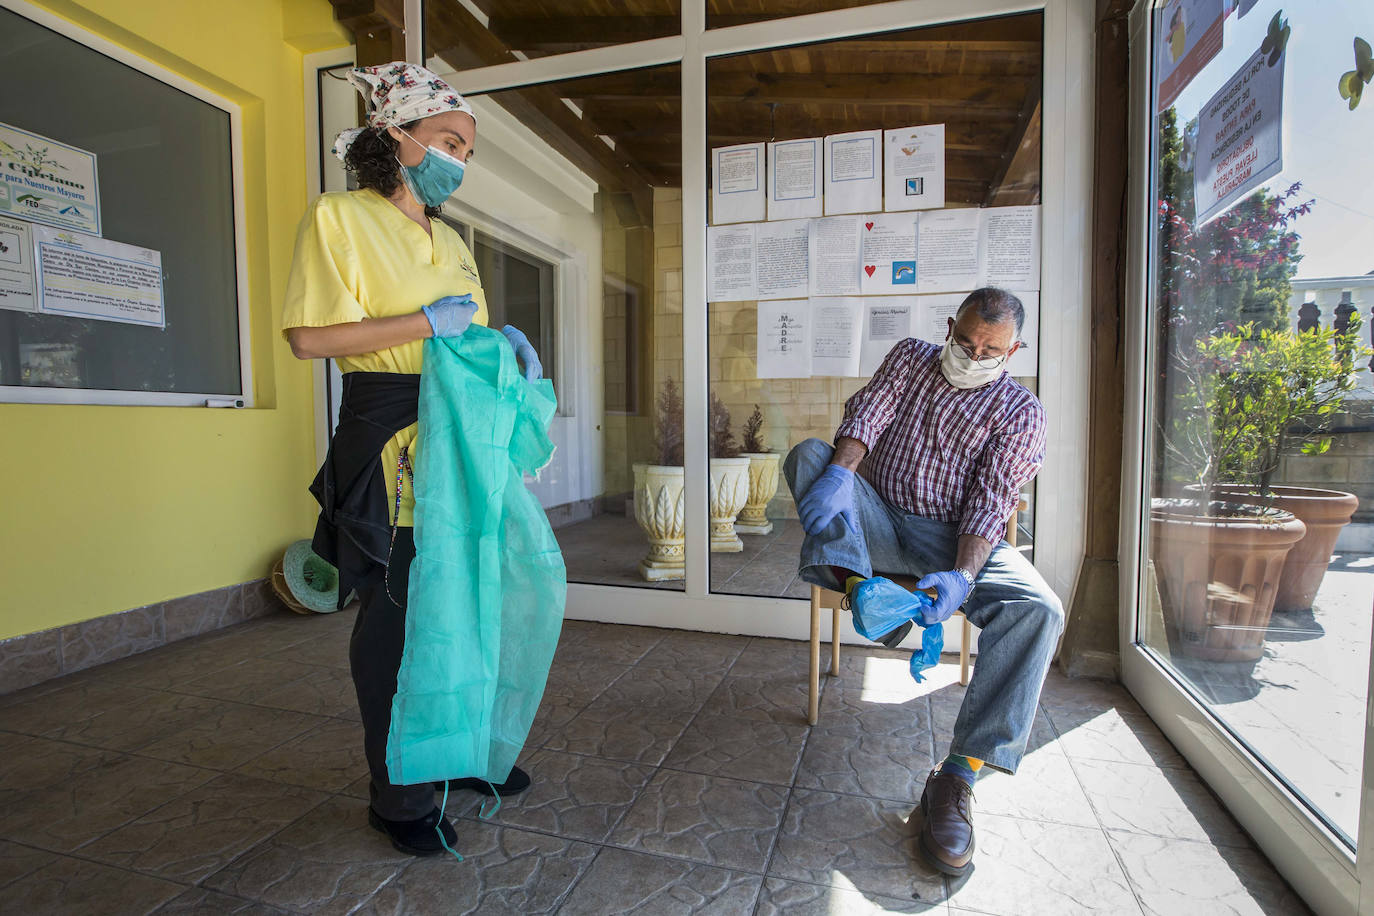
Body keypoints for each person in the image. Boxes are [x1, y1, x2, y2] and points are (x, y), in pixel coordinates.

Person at [281, 62, 542, 857]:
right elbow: (310, 339)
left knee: (465, 609)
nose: (459, 160)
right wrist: (424, 323)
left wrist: (505, 349)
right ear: (394, 136)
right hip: (392, 440)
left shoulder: (453, 240)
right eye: (448, 142)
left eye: (467, 149)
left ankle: (453, 754)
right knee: (398, 621)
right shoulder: (339, 218)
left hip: (460, 439)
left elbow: (464, 339)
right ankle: (397, 792)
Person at [783, 287, 1063, 877]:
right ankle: (864, 590)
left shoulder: (1021, 412)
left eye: (989, 350)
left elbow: (992, 501)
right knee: (812, 456)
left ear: (1014, 350)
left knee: (1038, 607)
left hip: (951, 539)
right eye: (964, 341)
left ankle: (959, 775)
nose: (972, 354)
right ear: (949, 327)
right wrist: (840, 474)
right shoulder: (910, 357)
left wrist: (963, 576)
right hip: (878, 519)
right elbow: (869, 415)